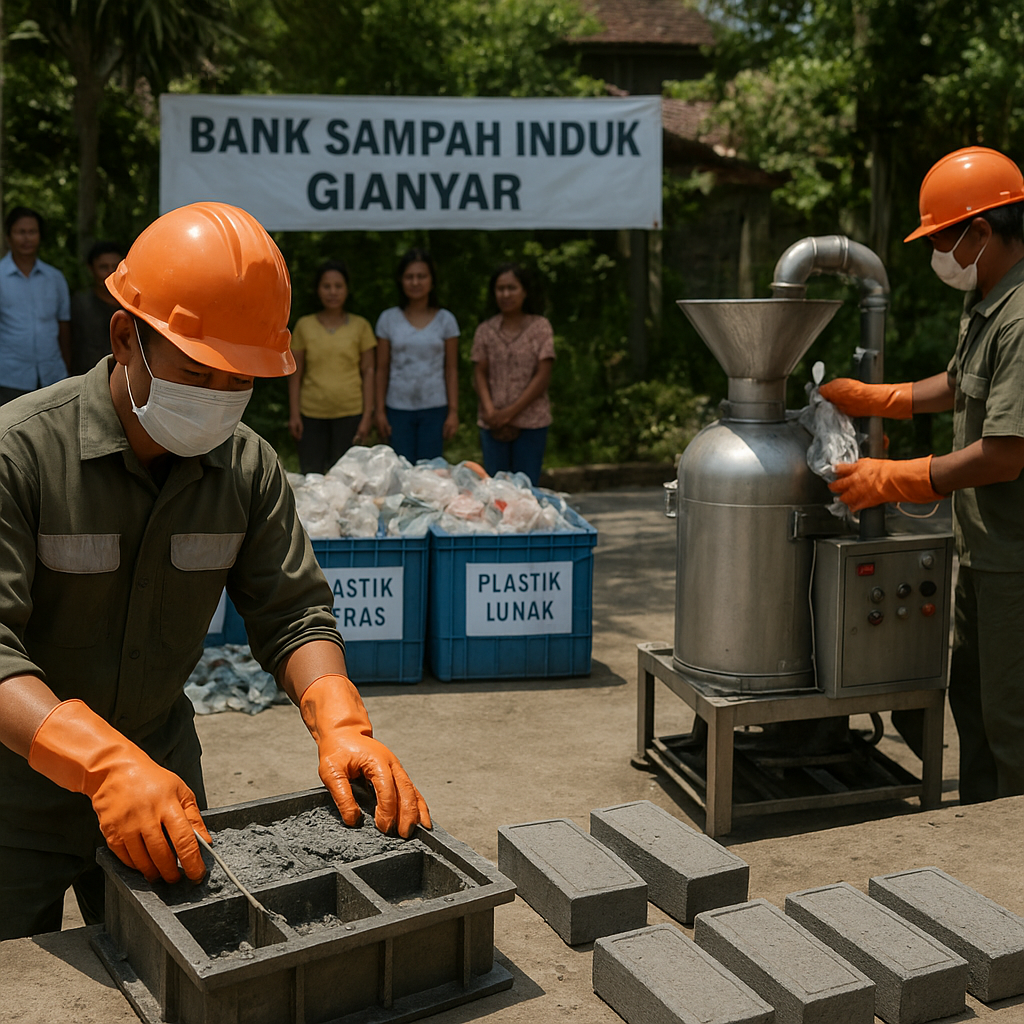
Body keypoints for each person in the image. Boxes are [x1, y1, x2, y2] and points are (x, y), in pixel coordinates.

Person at [0, 202, 430, 940]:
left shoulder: (247, 468)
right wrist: (103, 764)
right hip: (15, 802)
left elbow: (293, 613)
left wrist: (341, 723)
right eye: (199, 373)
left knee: (182, 976)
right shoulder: (21, 454)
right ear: (125, 338)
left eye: (242, 381)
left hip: (164, 786)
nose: (220, 401)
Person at [822, 146, 1024, 805]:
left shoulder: (1022, 319)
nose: (938, 252)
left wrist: (898, 478)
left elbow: (1005, 453)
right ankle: (983, 823)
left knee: (1011, 718)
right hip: (986, 546)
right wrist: (885, 398)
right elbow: (961, 384)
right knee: (971, 696)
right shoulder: (989, 298)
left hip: (1015, 555)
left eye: (942, 237)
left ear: (982, 232)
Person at [288, 260, 376, 474]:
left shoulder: (361, 326)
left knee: (347, 478)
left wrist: (367, 417)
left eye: (338, 286)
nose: (332, 292)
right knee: (312, 476)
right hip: (311, 415)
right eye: (326, 286)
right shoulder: (304, 325)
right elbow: (295, 373)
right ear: (318, 290)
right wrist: (294, 415)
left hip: (350, 413)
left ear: (347, 289)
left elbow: (369, 372)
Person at [471, 263, 555, 485]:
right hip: (492, 423)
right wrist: (491, 412)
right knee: (496, 490)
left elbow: (543, 376)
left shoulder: (540, 327)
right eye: (500, 289)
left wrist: (509, 413)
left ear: (524, 291)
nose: (506, 294)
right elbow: (479, 372)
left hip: (531, 421)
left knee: (526, 491)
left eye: (512, 288)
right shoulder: (485, 330)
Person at [374, 249, 460, 462]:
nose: (415, 282)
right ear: (401, 281)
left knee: (430, 472)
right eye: (409, 276)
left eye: (422, 276)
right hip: (398, 407)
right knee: (401, 469)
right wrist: (380, 411)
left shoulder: (446, 320)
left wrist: (453, 411)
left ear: (432, 281)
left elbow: (451, 369)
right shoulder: (388, 319)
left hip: (434, 407)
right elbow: (381, 369)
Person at [0, 206, 70, 404]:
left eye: (32, 232)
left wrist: (66, 365)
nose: (26, 238)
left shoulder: (55, 278)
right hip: (10, 377)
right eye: (20, 232)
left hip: (53, 375)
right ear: (8, 236)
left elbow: (64, 325)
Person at [71, 240, 123, 376]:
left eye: (115, 267)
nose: (110, 273)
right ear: (91, 268)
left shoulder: (131, 304)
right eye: (103, 267)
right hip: (88, 376)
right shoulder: (81, 303)